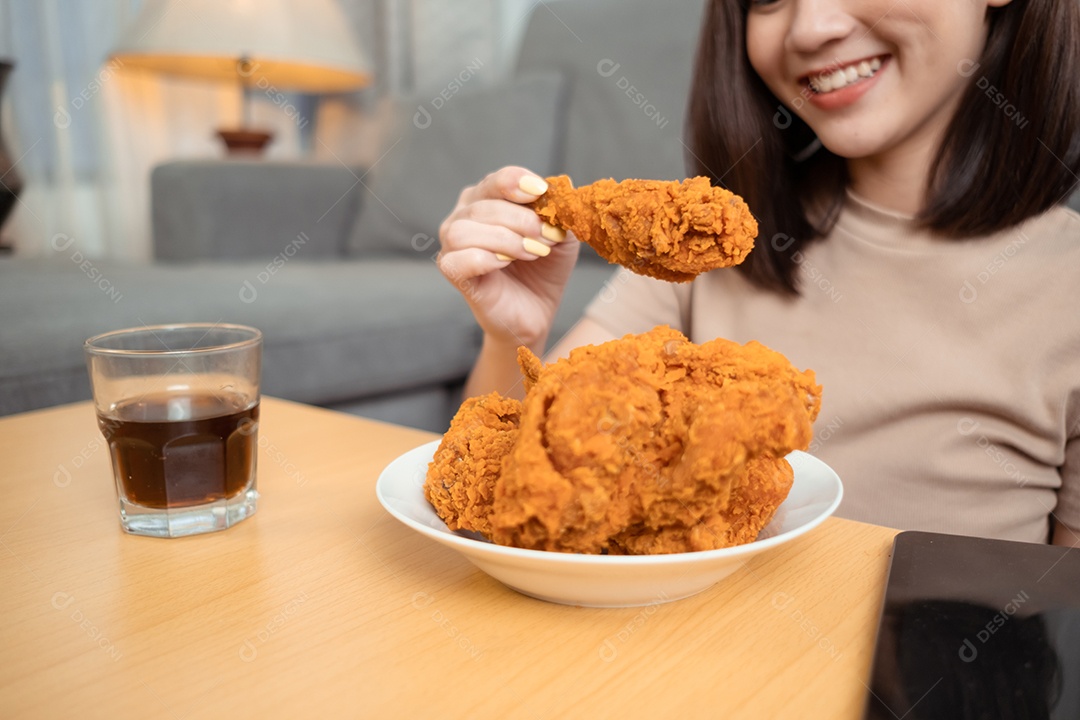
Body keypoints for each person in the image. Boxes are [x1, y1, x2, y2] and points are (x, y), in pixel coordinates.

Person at [435, 0, 1080, 546]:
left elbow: (1063, 629)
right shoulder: (701, 256)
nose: (810, 28)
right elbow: (509, 509)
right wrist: (511, 337)